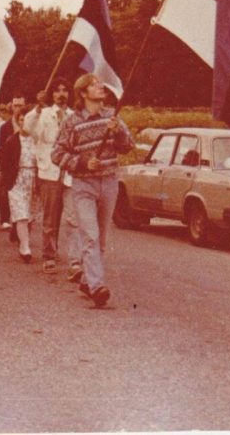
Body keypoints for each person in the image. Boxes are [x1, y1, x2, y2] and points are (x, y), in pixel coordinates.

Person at [51, 74, 133, 309]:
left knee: (102, 239)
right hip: (83, 186)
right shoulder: (72, 122)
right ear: (83, 93)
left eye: (100, 84)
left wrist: (118, 132)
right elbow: (57, 154)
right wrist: (82, 162)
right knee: (90, 235)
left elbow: (128, 147)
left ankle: (87, 281)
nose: (101, 87)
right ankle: (97, 287)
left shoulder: (112, 116)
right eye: (95, 85)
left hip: (108, 182)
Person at [24, 79, 74, 275]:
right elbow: (28, 128)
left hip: (69, 172)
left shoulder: (73, 115)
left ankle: (74, 259)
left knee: (72, 217)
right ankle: (49, 255)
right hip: (50, 171)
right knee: (51, 217)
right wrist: (37, 107)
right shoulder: (43, 114)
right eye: (57, 91)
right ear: (52, 95)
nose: (61, 94)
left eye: (65, 91)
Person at [0, 107, 35, 263]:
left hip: (34, 180)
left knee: (30, 214)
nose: (25, 122)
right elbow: (4, 161)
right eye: (21, 119)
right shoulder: (12, 140)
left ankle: (19, 233)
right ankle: (25, 247)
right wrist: (7, 181)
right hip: (17, 179)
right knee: (21, 213)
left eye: (28, 119)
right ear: (18, 121)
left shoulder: (37, 140)